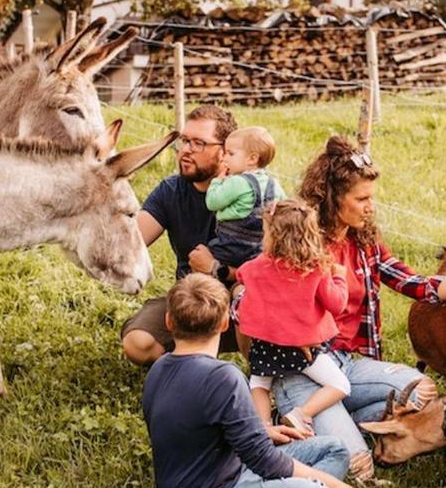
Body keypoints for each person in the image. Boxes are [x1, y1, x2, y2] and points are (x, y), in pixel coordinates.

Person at [269, 135, 446, 479]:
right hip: (304, 372)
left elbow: (418, 286)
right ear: (334, 199)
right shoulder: (302, 245)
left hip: (347, 367)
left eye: (372, 198)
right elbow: (261, 302)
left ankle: (328, 418)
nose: (371, 207)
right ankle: (309, 419)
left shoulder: (364, 243)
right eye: (362, 198)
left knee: (423, 393)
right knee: (356, 466)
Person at [141, 273, 364, 488]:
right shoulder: (224, 376)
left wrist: (258, 431)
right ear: (225, 323)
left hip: (224, 468)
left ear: (169, 321)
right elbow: (267, 462)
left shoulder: (158, 368)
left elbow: (189, 427)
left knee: (336, 448)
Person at [121, 104, 238, 365]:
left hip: (237, 306)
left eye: (199, 143)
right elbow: (131, 241)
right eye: (185, 141)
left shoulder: (248, 195)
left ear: (224, 152)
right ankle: (185, 365)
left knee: (250, 302)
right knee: (137, 344)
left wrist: (217, 269)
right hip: (191, 302)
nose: (186, 150)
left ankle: (258, 379)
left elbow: (269, 268)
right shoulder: (171, 191)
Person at [236, 199, 351, 435]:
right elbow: (336, 304)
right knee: (340, 384)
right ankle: (302, 414)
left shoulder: (256, 267)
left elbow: (242, 275)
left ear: (274, 236)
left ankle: (264, 428)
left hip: (265, 344)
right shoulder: (315, 270)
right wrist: (339, 277)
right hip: (302, 349)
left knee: (259, 384)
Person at [204, 126, 285, 269]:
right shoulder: (274, 184)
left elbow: (212, 202)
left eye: (230, 153)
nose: (224, 157)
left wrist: (217, 181)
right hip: (259, 249)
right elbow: (284, 208)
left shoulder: (238, 182)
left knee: (203, 260)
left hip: (231, 246)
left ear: (252, 159)